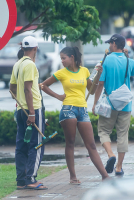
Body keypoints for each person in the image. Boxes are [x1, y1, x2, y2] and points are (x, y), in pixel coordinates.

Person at [40, 46, 109, 183]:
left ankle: (105, 176)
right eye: (61, 59)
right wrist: (58, 96)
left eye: (64, 58)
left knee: (91, 145)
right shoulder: (61, 73)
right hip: (68, 110)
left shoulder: (84, 71)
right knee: (70, 143)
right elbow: (43, 85)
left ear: (72, 58)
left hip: (82, 110)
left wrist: (99, 75)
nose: (62, 61)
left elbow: (92, 90)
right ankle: (73, 177)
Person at [92, 34, 134, 176]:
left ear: (114, 44)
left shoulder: (105, 61)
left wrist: (95, 104)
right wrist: (127, 58)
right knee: (123, 135)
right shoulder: (131, 61)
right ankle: (119, 167)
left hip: (108, 105)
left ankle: (111, 154)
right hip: (125, 104)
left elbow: (100, 84)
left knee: (103, 132)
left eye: (110, 43)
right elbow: (133, 73)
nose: (109, 46)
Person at [9, 36, 47, 190]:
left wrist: (20, 103)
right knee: (36, 144)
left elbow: (12, 89)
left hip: (20, 110)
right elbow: (27, 88)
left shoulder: (17, 64)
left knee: (22, 145)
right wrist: (31, 113)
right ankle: (31, 179)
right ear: (35, 49)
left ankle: (21, 180)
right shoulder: (30, 65)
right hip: (33, 110)